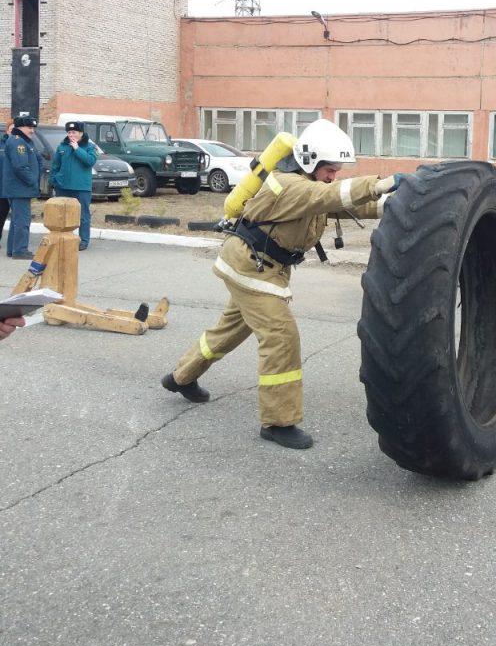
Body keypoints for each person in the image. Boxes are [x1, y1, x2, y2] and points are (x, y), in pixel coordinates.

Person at [161, 119, 401, 450]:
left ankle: (179, 378)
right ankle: (278, 422)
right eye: (330, 169)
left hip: (256, 268)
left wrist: (396, 202)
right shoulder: (289, 186)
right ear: (309, 162)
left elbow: (342, 203)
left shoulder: (308, 187)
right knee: (281, 337)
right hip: (251, 268)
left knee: (229, 330)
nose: (334, 175)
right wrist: (381, 183)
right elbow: (334, 194)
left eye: (336, 170)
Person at [49, 120, 97, 251]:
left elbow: (90, 161)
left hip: (81, 187)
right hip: (63, 186)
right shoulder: (62, 146)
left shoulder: (89, 146)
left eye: (74, 132)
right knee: (61, 214)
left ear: (81, 133)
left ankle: (83, 240)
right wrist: (53, 180)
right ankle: (62, 239)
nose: (71, 135)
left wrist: (77, 148)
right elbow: (55, 165)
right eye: (69, 132)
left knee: (83, 215)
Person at [3, 114, 43, 260]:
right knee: (22, 220)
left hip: (18, 188)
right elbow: (20, 167)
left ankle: (13, 249)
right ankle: (20, 250)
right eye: (29, 127)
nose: (32, 130)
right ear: (20, 127)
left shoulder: (22, 141)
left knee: (16, 220)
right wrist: (32, 181)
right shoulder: (18, 142)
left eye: (33, 127)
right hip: (20, 188)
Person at [0, 121, 13, 249]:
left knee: (17, 218)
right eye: (11, 129)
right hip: (2, 187)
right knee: (1, 214)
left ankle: (14, 243)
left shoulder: (22, 145)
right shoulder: (1, 145)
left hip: (15, 187)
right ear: (7, 131)